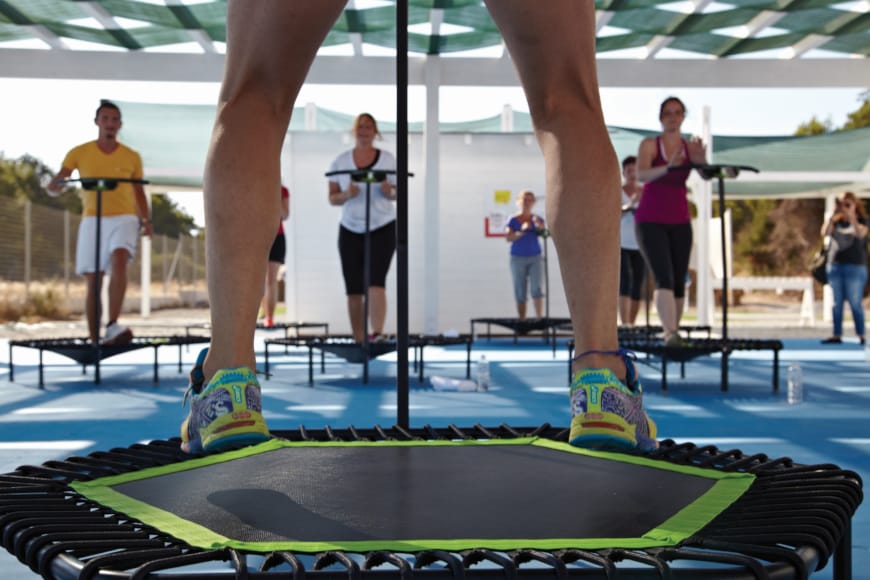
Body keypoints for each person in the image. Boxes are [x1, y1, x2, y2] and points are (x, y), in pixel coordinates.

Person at [180, 1, 656, 455]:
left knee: (255, 94)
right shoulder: (346, 159)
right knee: (566, 100)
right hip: (353, 225)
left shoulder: (382, 159)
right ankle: (602, 385)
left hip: (378, 224)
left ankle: (227, 388)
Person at [47, 100, 152, 345]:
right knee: (93, 278)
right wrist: (54, 186)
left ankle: (113, 324)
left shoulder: (131, 156)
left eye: (114, 120)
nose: (110, 124)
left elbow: (138, 191)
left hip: (124, 217)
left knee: (119, 258)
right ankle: (95, 340)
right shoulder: (79, 152)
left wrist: (146, 220)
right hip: (92, 219)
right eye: (105, 119)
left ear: (120, 125)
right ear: (97, 122)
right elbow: (61, 178)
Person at [635, 96, 708, 347]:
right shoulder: (649, 145)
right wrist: (668, 167)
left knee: (679, 278)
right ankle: (670, 333)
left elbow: (705, 175)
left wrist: (701, 161)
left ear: (683, 117)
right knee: (663, 276)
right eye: (667, 113)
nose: (672, 117)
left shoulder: (690, 148)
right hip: (650, 219)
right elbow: (642, 174)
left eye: (677, 112)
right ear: (660, 117)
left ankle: (674, 332)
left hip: (680, 219)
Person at [327, 113, 398, 343]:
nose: (364, 130)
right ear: (354, 130)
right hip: (350, 228)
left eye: (369, 126)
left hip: (382, 226)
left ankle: (376, 333)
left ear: (375, 132)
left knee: (376, 281)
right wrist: (347, 194)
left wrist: (390, 192)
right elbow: (332, 197)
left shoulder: (388, 160)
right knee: (354, 286)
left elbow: (398, 192)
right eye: (361, 126)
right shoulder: (340, 161)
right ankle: (359, 338)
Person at [821, 192, 868, 345]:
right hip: (835, 265)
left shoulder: (862, 220)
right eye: (842, 203)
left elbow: (860, 234)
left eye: (847, 203)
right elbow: (825, 233)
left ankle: (861, 334)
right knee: (837, 302)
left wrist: (852, 215)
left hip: (855, 267)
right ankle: (836, 334)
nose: (844, 207)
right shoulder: (836, 221)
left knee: (855, 301)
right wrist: (833, 215)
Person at [504, 190, 546, 320]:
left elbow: (545, 234)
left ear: (533, 202)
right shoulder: (513, 219)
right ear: (519, 202)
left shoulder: (537, 219)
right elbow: (508, 237)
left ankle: (539, 318)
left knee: (536, 288)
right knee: (520, 289)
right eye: (524, 200)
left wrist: (540, 227)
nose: (527, 203)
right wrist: (521, 231)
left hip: (535, 257)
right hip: (518, 258)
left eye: (530, 200)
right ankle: (522, 320)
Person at [619, 156, 645, 326]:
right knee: (624, 282)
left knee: (637, 284)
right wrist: (630, 206)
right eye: (629, 171)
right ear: (624, 173)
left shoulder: (644, 191)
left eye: (635, 170)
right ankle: (624, 323)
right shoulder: (617, 191)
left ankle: (633, 324)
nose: (632, 174)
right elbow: (613, 213)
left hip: (641, 244)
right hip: (621, 244)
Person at [261, 185, 290, 328]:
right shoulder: (255, 186)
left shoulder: (282, 191)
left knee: (271, 279)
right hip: (258, 238)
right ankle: (261, 311)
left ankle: (270, 317)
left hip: (277, 238)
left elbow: (285, 215)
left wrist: (274, 198)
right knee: (257, 280)